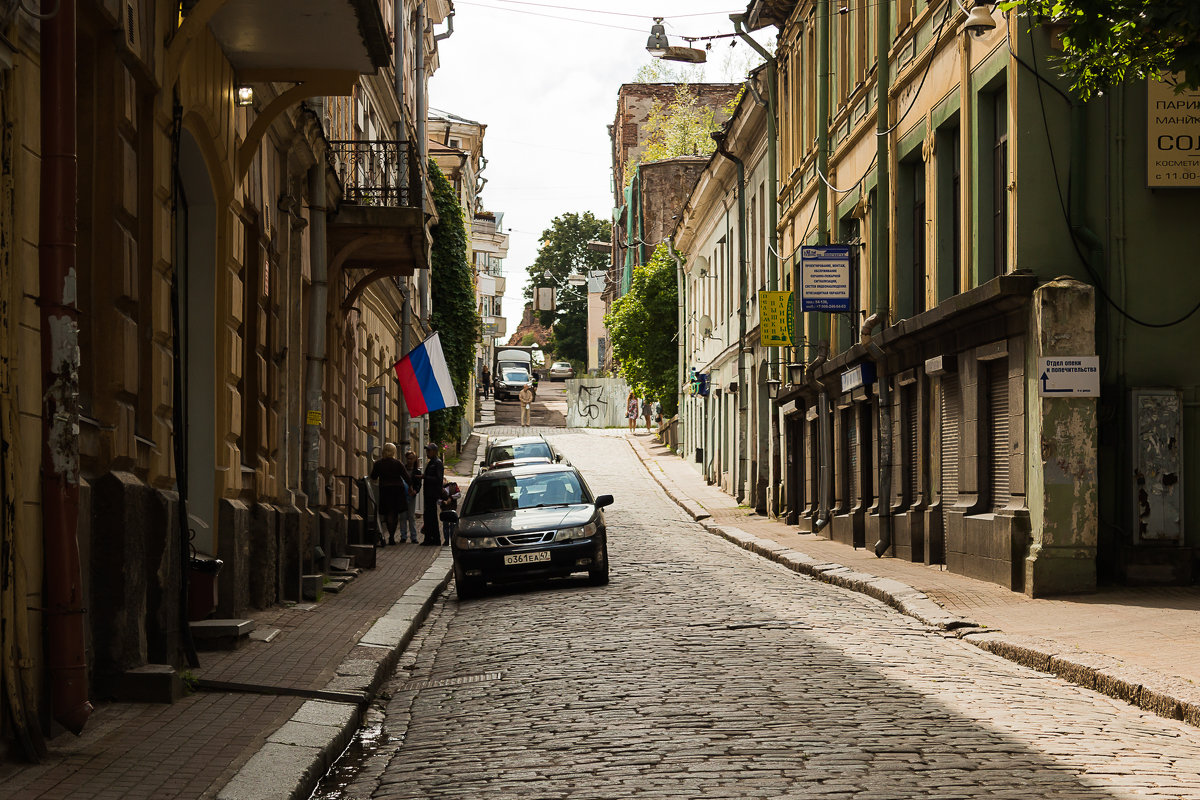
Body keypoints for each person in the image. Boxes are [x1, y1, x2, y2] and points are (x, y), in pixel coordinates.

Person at [369, 443, 409, 546]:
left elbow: (373, 476)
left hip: (385, 489)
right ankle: (391, 536)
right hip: (397, 490)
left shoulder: (379, 463)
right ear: (393, 451)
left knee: (388, 513)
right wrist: (411, 486)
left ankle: (389, 535)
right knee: (394, 513)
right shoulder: (398, 463)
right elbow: (406, 476)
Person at [420, 442, 444, 545]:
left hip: (432, 494)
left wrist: (425, 477)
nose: (427, 452)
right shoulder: (432, 462)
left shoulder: (437, 463)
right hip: (429, 493)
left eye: (429, 450)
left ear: (434, 451)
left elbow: (438, 479)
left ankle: (434, 539)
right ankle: (429, 538)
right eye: (427, 450)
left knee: (431, 517)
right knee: (428, 516)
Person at [400, 449, 421, 542]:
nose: (409, 460)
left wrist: (415, 491)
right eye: (408, 458)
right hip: (403, 496)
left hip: (412, 496)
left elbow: (419, 484)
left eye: (411, 459)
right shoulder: (402, 469)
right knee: (403, 516)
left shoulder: (417, 472)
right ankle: (403, 536)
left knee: (411, 516)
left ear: (415, 459)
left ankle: (414, 537)